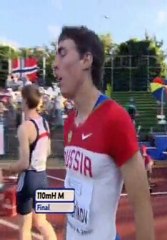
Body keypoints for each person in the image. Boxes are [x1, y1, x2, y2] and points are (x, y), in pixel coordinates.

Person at [53, 26, 154, 240]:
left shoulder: (115, 118)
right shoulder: (70, 120)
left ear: (86, 60)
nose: (54, 65)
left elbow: (142, 204)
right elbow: (72, 186)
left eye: (62, 53)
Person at [1, 84, 57, 240]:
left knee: (25, 227)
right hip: (42, 177)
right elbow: (48, 151)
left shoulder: (24, 127)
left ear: (25, 101)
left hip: (28, 179)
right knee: (41, 222)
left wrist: (8, 169)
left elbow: (24, 163)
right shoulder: (44, 123)